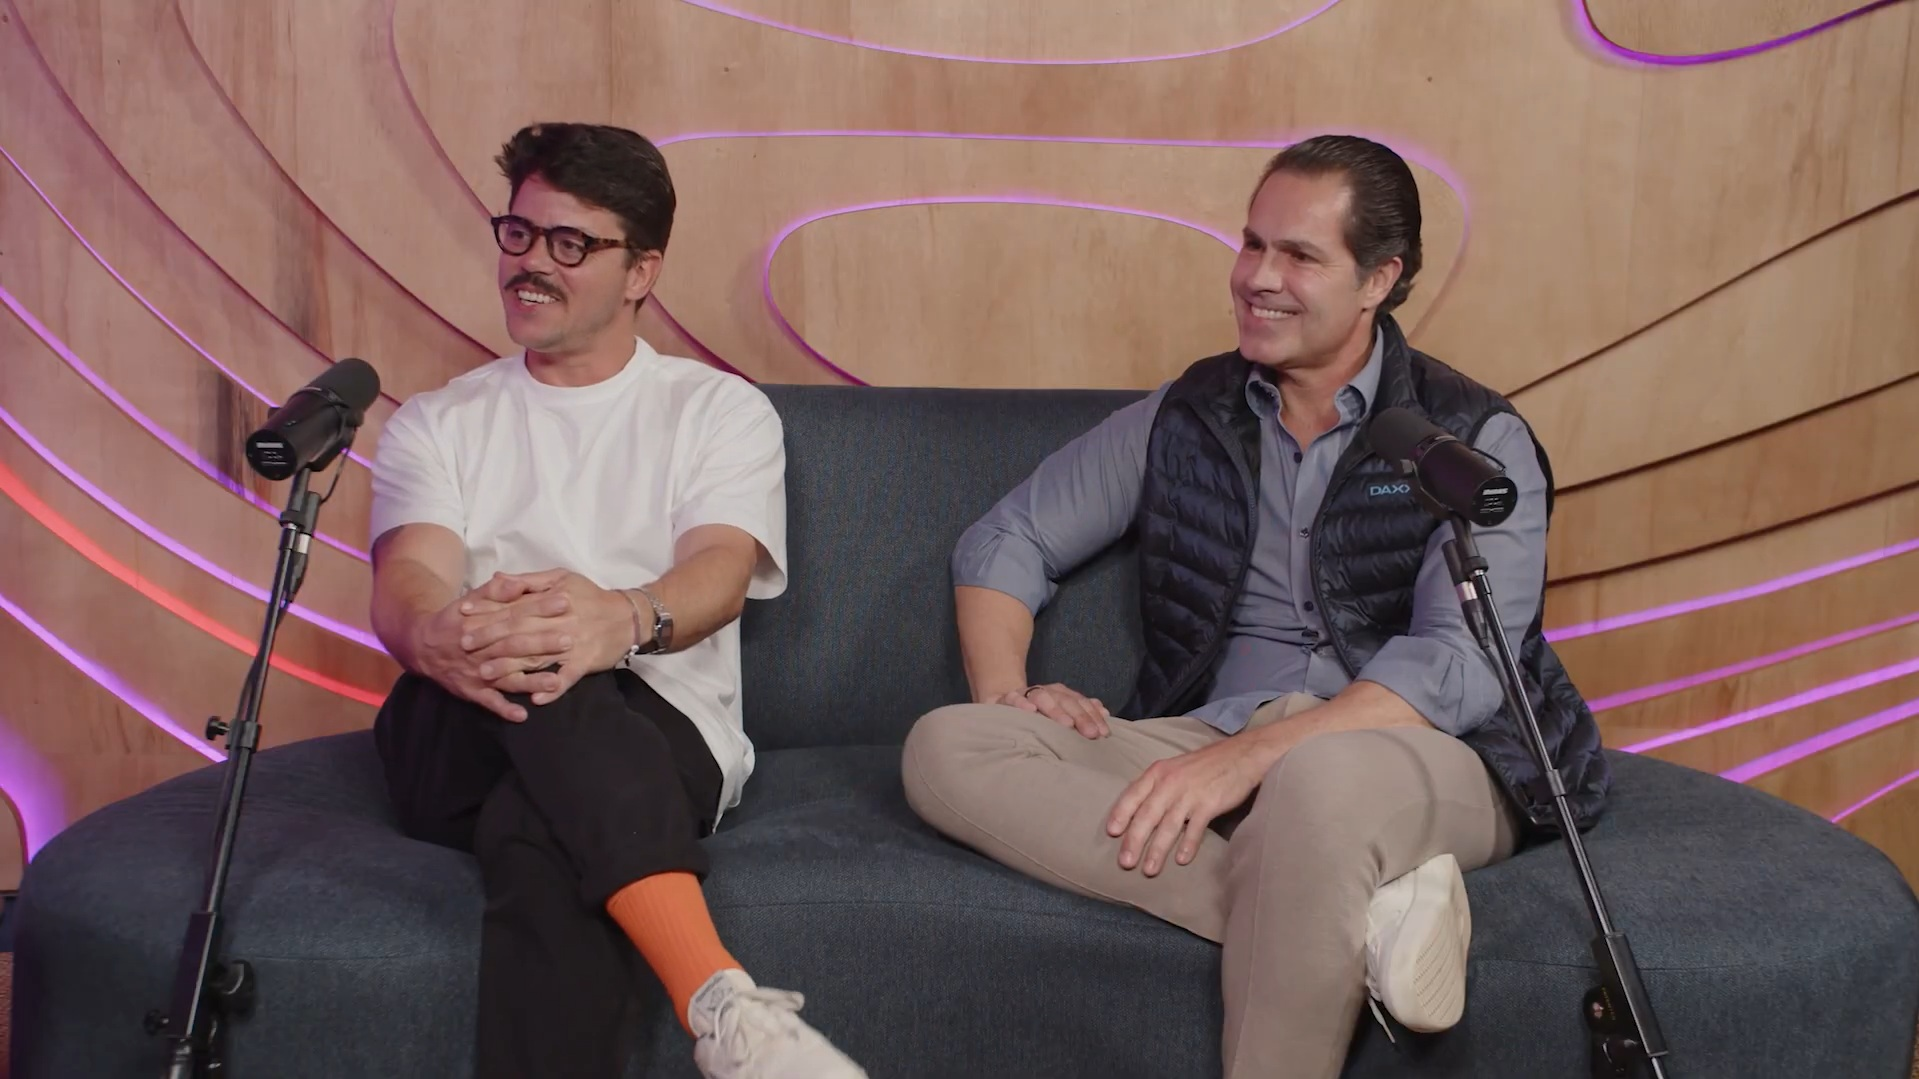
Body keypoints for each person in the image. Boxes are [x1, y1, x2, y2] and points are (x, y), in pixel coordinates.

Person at [900, 135, 1609, 1079]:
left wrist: (1252, 760)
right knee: (950, 745)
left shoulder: (1468, 437)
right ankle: (1366, 920)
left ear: (1378, 279)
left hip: (1428, 749)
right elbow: (1008, 538)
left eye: (1299, 255)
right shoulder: (1189, 414)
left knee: (1315, 787)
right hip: (1220, 726)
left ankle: (1318, 879)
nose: (1257, 278)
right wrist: (1008, 691)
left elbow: (1457, 664)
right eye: (1251, 244)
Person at [366, 122, 866, 1079]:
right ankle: (720, 1001)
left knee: (539, 831)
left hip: (661, 728)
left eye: (570, 244)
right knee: (543, 660)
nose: (530, 264)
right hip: (460, 716)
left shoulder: (715, 409)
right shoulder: (437, 420)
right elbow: (408, 582)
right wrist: (449, 631)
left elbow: (718, 568)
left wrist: (621, 619)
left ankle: (717, 1004)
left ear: (642, 271)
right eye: (520, 233)